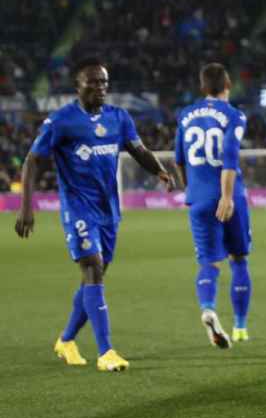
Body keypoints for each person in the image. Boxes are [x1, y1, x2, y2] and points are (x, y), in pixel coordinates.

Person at [15, 56, 175, 372]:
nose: (100, 87)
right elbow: (32, 161)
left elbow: (137, 149)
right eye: (93, 81)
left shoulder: (118, 118)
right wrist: (26, 207)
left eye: (104, 81)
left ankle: (66, 340)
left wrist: (159, 170)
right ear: (78, 86)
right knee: (93, 269)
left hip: (108, 210)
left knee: (95, 278)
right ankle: (106, 352)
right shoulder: (61, 121)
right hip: (78, 208)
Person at [174, 64, 255, 348]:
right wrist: (227, 196)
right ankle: (241, 327)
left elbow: (179, 160)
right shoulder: (234, 115)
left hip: (198, 197)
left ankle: (208, 308)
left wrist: (192, 190)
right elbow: (230, 156)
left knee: (209, 262)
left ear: (201, 86)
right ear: (228, 83)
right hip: (230, 196)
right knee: (239, 259)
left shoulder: (185, 115)